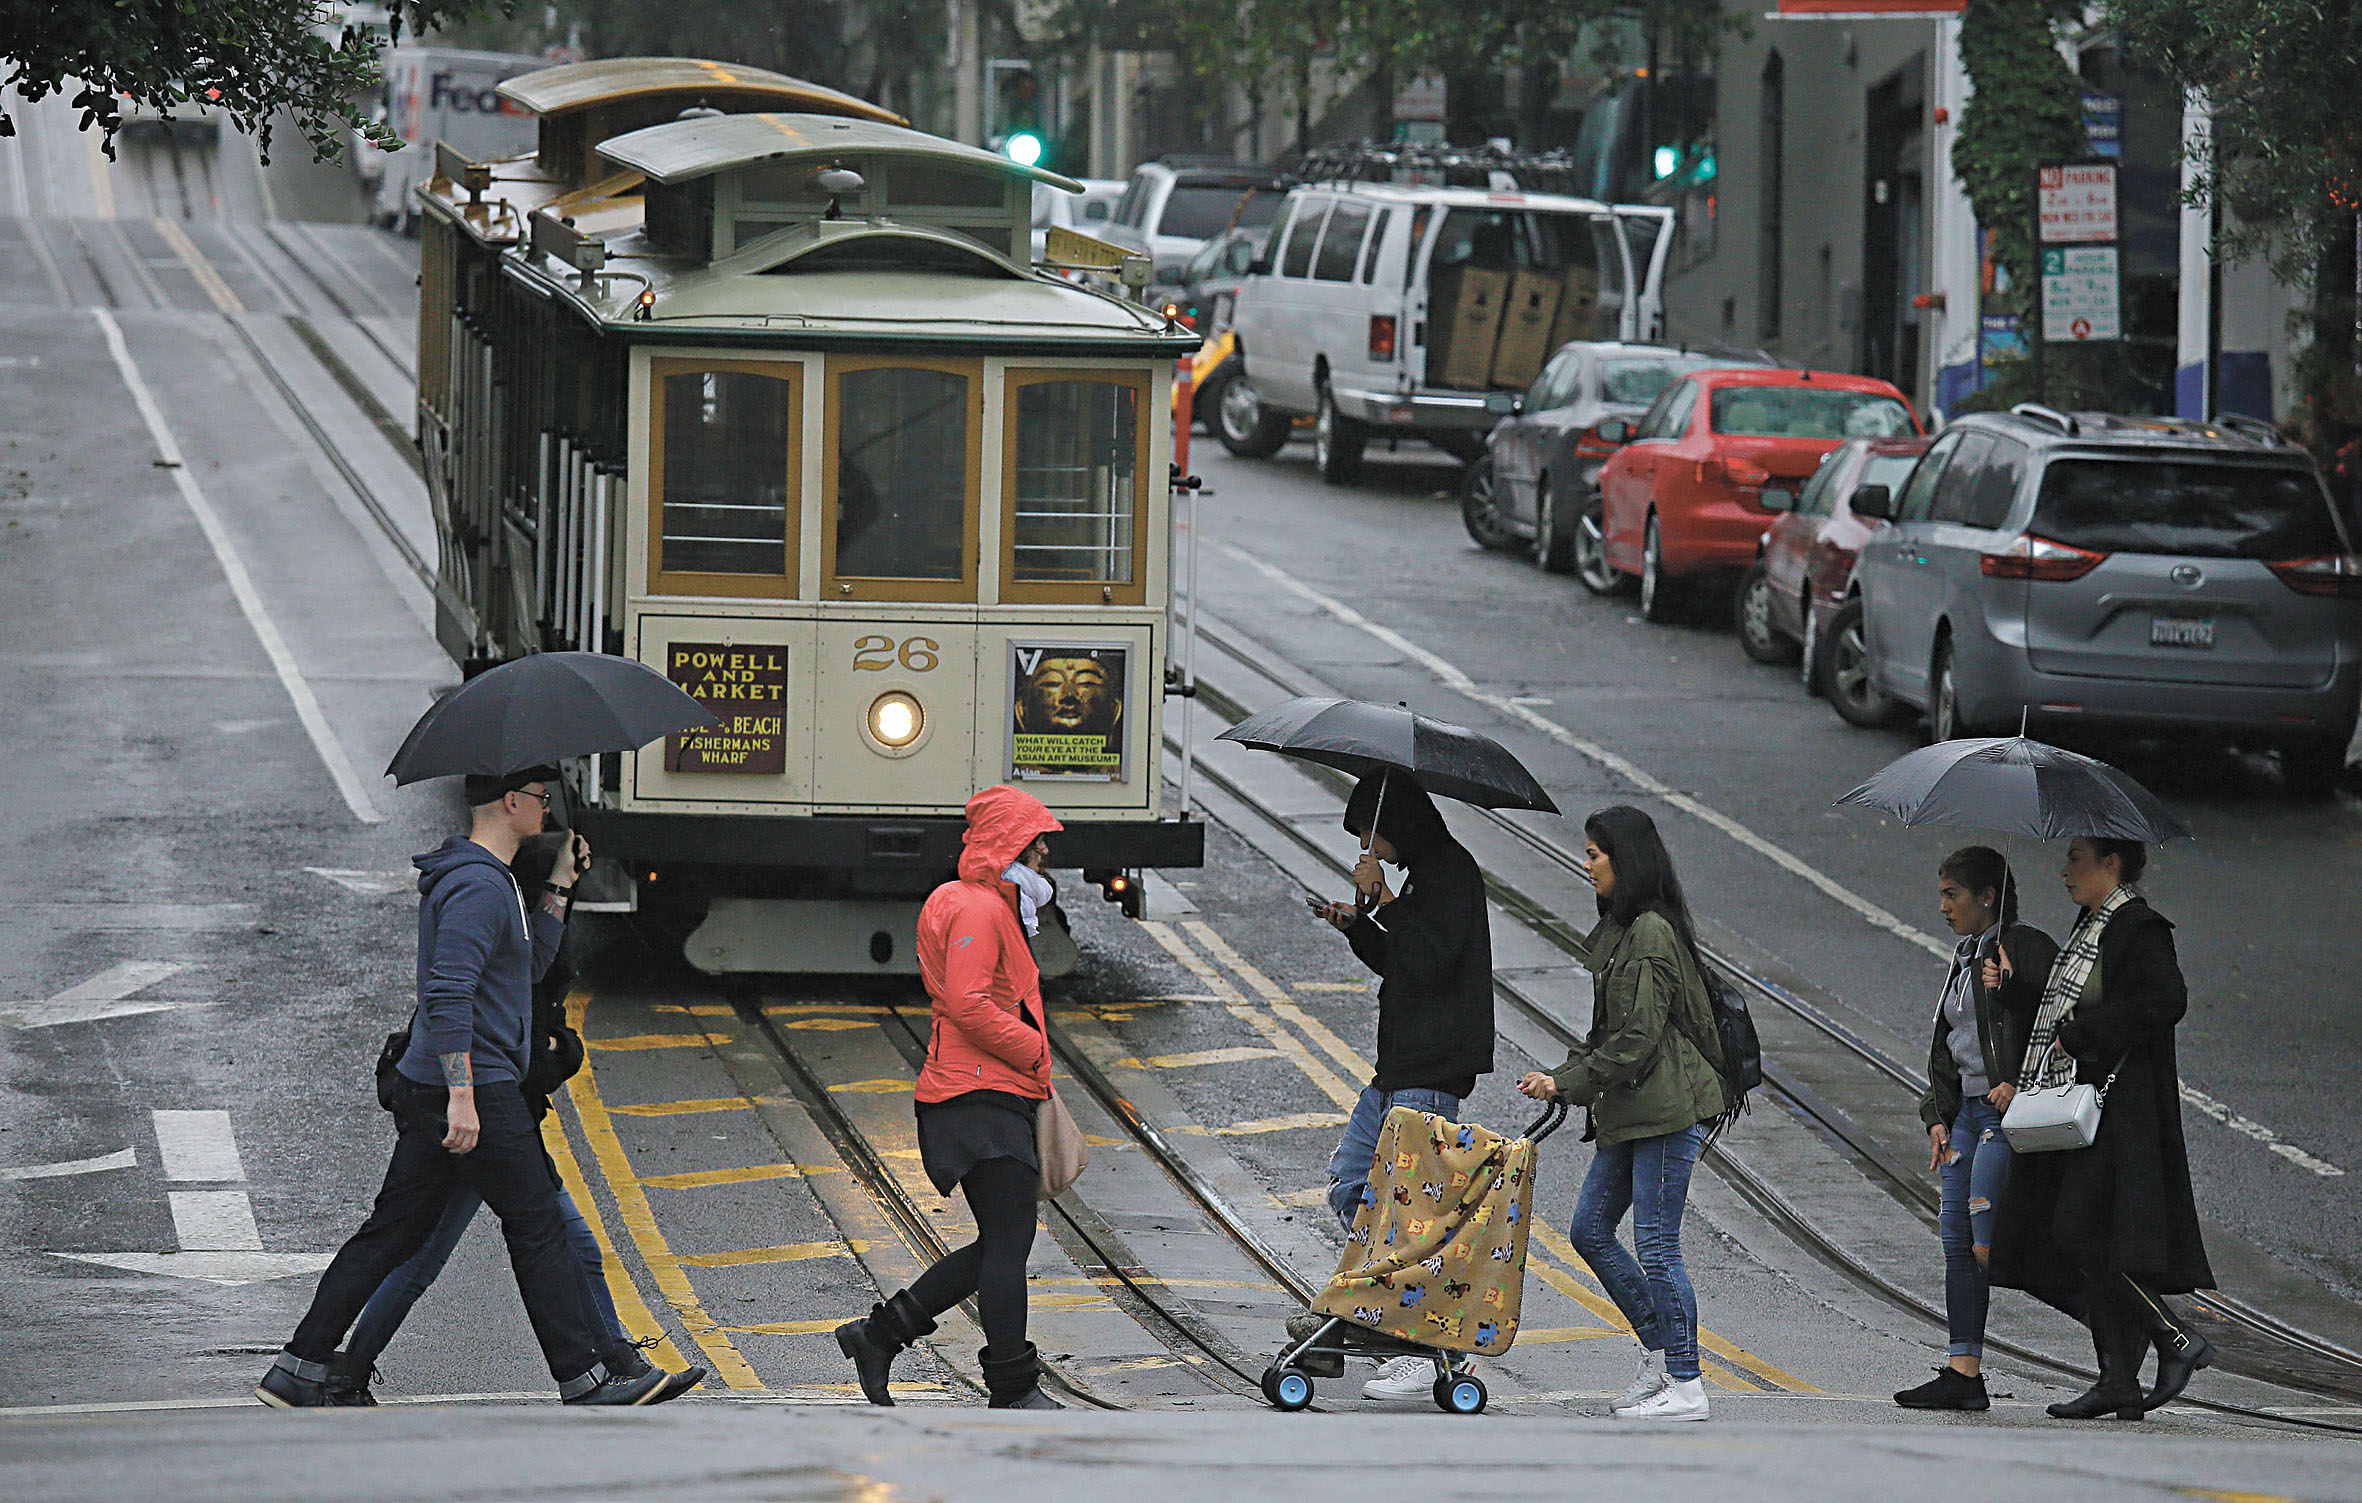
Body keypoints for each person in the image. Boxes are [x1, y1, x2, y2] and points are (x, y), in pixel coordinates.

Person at [256, 769, 670, 1408]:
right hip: (475, 1081)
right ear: (511, 801)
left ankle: (298, 1368)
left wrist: (559, 884)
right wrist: (462, 1094)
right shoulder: (478, 885)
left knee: (393, 1233)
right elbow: (449, 993)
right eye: (542, 799)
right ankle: (584, 1378)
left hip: (455, 1081)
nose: (548, 810)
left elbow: (526, 968)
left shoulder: (492, 880)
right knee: (536, 1225)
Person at [339, 833, 705, 1405]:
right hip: (483, 1117)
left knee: (562, 1244)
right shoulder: (505, 937)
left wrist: (559, 1045)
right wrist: (551, 1057)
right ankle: (344, 1368)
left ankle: (620, 1363)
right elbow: (506, 1028)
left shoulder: (526, 937)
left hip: (500, 1113)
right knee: (429, 1254)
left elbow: (538, 1011)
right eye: (559, 886)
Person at [835, 784, 1066, 1411]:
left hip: (983, 1093)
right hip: (977, 1096)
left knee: (1000, 1243)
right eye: (1036, 839)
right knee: (1009, 1243)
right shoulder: (977, 909)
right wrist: (1034, 1049)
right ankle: (1013, 1387)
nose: (1046, 851)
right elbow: (968, 1004)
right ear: (1010, 845)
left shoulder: (989, 905)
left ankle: (879, 1336)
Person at [1988, 837, 2215, 1420]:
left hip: (2118, 1112)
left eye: (2076, 858)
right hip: (2079, 1108)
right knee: (2069, 1237)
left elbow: (2165, 1000)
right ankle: (2118, 1381)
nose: (2064, 870)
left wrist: (2084, 1035)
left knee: (2079, 1233)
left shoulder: (2137, 927)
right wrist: (2013, 990)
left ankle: (2175, 1338)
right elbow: (2070, 1008)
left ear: (2111, 864)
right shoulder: (2092, 924)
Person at [1518, 806, 1727, 1422]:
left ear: (1624, 859)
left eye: (1594, 854)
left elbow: (1637, 1037)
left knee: (1657, 1244)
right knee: (1589, 1229)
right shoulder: (1625, 928)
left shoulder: (1651, 933)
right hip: (1635, 1105)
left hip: (1667, 1108)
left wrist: (1567, 1083)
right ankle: (1661, 1353)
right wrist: (1562, 1078)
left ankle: (1686, 1382)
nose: (1586, 865)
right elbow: (1610, 1033)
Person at [1305, 771, 1494, 1401]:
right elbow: (1400, 963)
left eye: (1370, 833)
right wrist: (1357, 925)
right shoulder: (1421, 876)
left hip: (1431, 1071)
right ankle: (1392, 1319)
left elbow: (1433, 961)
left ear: (1399, 824)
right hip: (1397, 1068)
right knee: (1352, 1186)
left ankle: (1428, 1346)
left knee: (1413, 1217)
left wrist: (1385, 901)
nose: (1368, 846)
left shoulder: (1452, 874)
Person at [1894, 847, 2058, 1412]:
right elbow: (1948, 1045)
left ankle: (2139, 1335)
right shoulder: (1964, 956)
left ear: (1987, 896)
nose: (1943, 906)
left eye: (1952, 894)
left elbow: (2057, 1021)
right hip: (1965, 1115)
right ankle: (1963, 1374)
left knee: (1994, 1247)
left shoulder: (2025, 946)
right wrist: (1936, 1116)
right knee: (1958, 1244)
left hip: (2004, 1115)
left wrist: (2019, 1078)